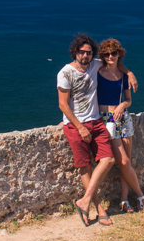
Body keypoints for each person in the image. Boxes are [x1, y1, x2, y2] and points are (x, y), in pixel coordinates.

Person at [57, 33, 137, 227]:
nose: (85, 56)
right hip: (76, 126)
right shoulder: (65, 73)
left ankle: (83, 201)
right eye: (82, 52)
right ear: (75, 52)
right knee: (85, 167)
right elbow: (63, 104)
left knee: (108, 159)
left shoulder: (95, 64)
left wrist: (129, 73)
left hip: (96, 122)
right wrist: (80, 128)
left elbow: (115, 63)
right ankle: (99, 208)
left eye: (89, 52)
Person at [97, 38, 144, 213]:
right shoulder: (97, 71)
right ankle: (140, 195)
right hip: (106, 119)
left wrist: (121, 106)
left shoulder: (124, 76)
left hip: (123, 118)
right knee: (124, 161)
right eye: (107, 54)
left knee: (127, 162)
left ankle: (125, 200)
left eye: (114, 53)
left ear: (119, 54)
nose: (110, 56)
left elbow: (128, 100)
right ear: (102, 56)